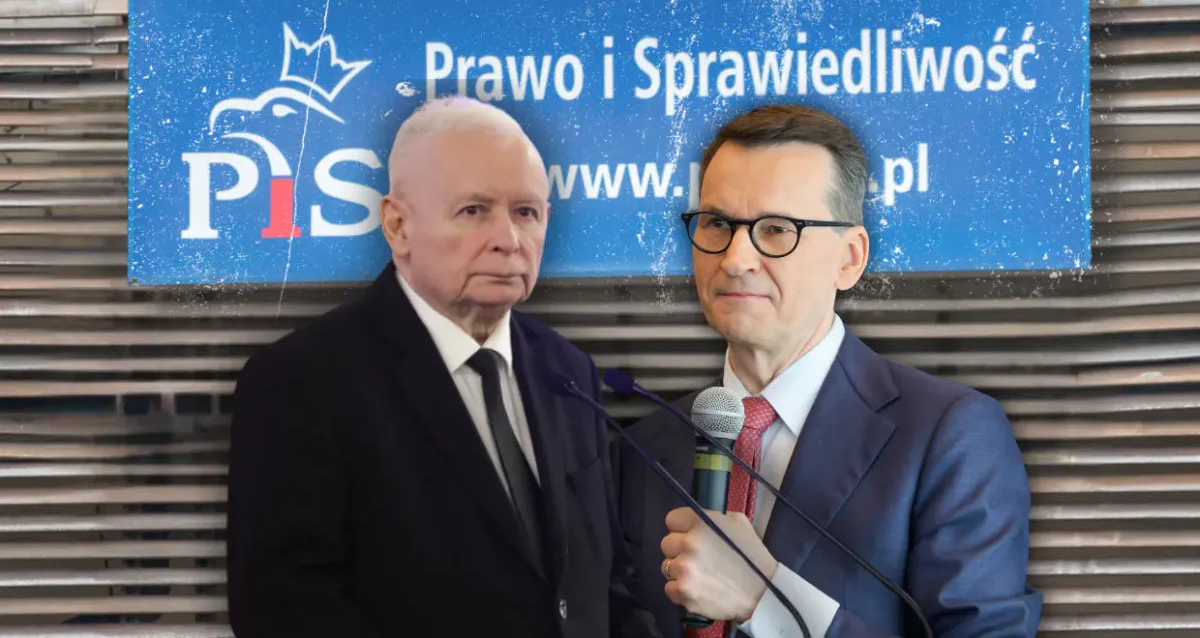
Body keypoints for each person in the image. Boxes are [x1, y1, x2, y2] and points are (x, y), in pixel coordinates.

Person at [226, 96, 661, 638]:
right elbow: (283, 611)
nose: (508, 240)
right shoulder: (302, 381)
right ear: (397, 225)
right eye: (474, 210)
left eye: (526, 212)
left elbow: (606, 586)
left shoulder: (567, 369)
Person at [613, 104, 1042, 638]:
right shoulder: (641, 449)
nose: (736, 259)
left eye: (777, 229)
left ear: (850, 258)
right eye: (718, 223)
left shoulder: (948, 436)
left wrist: (764, 599)